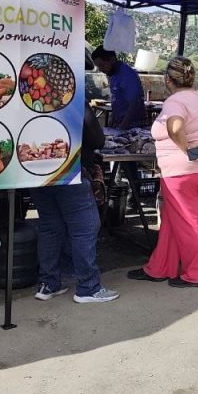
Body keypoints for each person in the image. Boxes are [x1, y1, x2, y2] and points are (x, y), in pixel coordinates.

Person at [127, 57, 198, 287]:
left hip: (182, 171)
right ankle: (159, 267)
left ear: (168, 80)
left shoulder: (175, 102)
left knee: (188, 220)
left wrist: (186, 149)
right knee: (173, 218)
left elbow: (175, 127)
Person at [31, 97, 119, 303]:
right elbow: (97, 139)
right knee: (85, 227)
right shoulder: (73, 96)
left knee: (50, 226)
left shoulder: (29, 97)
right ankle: (88, 287)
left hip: (36, 169)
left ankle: (48, 284)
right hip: (69, 170)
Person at [91, 47, 145, 130]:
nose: (100, 69)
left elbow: (134, 104)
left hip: (132, 126)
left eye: (102, 65)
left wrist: (122, 128)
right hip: (119, 123)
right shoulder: (112, 74)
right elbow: (117, 100)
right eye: (98, 67)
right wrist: (112, 122)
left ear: (112, 59)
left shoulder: (127, 75)